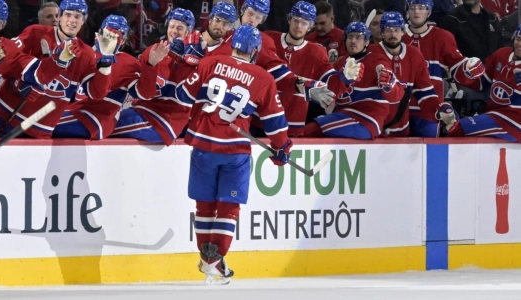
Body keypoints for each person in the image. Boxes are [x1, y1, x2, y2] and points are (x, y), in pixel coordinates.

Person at [176, 24, 292, 285]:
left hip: (203, 145)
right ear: (255, 52)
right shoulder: (263, 78)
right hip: (235, 150)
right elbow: (274, 120)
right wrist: (282, 148)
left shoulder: (210, 63)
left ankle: (208, 260)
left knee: (204, 205)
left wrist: (191, 64)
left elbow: (182, 94)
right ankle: (215, 260)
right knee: (228, 207)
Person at [0, 0, 119, 139]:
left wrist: (106, 61)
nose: (72, 21)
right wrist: (17, 84)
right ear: (60, 17)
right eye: (68, 15)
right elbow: (3, 61)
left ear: (83, 20)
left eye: (77, 16)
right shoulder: (35, 33)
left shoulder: (86, 54)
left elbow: (96, 93)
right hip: (4, 114)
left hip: (41, 128)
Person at [53, 15, 167, 139]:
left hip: (97, 119)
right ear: (99, 33)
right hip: (76, 111)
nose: (110, 39)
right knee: (37, 118)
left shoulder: (127, 62)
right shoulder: (85, 53)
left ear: (123, 41)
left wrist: (150, 65)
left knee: (40, 123)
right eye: (108, 33)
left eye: (115, 36)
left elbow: (145, 94)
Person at [263, 1, 364, 136]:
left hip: (292, 123)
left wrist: (344, 79)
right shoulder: (269, 39)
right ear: (289, 19)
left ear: (310, 26)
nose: (298, 26)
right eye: (296, 20)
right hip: (261, 119)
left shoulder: (315, 52)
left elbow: (330, 85)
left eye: (304, 23)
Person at [110, 8, 195, 144]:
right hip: (140, 111)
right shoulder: (154, 49)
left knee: (106, 123)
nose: (174, 31)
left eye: (180, 28)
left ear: (188, 32)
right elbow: (140, 89)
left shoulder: (191, 59)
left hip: (162, 123)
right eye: (172, 26)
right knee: (107, 116)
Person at [305, 22, 404, 139]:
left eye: (359, 37)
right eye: (350, 37)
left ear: (367, 42)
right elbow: (327, 94)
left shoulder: (377, 60)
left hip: (366, 120)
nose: (353, 41)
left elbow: (397, 96)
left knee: (308, 131)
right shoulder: (339, 64)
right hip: (343, 116)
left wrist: (389, 85)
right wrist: (341, 80)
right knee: (310, 126)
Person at [369, 11, 456, 137]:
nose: (393, 34)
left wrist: (439, 108)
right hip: (374, 128)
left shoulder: (414, 54)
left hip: (401, 128)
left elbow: (425, 92)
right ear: (381, 32)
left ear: (403, 31)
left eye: (396, 29)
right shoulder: (371, 53)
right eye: (388, 30)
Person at [447, 25, 521, 142]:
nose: (519, 44)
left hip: (515, 122)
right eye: (518, 39)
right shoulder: (502, 54)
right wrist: (469, 74)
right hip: (494, 114)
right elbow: (481, 83)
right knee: (453, 126)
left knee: (458, 128)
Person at [404, 0, 485, 103]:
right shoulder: (397, 36)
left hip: (430, 106)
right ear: (407, 10)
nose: (416, 12)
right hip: (399, 107)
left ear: (428, 12)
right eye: (412, 8)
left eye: (421, 8)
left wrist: (468, 69)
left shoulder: (442, 37)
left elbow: (456, 66)